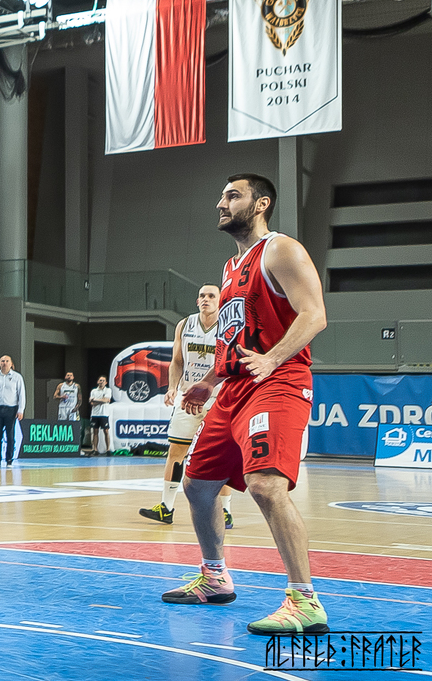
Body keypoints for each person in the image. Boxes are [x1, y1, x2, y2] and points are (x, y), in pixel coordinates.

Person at [162, 174, 329, 635]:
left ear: (261, 204)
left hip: (277, 382)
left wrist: (273, 358)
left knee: (266, 486)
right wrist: (209, 380)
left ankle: (305, 601)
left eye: (233, 196)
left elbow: (315, 314)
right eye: (221, 196)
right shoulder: (230, 267)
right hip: (233, 388)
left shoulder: (281, 250)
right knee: (197, 485)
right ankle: (215, 578)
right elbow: (236, 336)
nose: (221, 203)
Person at [141, 284, 235, 528]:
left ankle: (225, 511)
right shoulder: (184, 325)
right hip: (187, 397)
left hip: (218, 398)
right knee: (176, 451)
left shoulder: (228, 326)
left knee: (221, 456)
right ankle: (166, 508)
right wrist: (172, 387)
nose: (206, 299)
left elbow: (230, 365)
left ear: (220, 301)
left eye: (211, 296)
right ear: (197, 301)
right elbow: (176, 361)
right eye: (202, 296)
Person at [89, 375, 113, 454]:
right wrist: (102, 400)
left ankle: (108, 449)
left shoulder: (108, 390)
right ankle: (95, 449)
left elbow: (106, 400)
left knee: (106, 431)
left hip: (104, 414)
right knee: (95, 432)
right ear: (97, 382)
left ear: (106, 382)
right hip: (95, 414)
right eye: (100, 380)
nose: (101, 382)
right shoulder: (94, 391)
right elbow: (92, 403)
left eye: (103, 380)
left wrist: (95, 400)